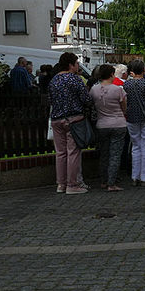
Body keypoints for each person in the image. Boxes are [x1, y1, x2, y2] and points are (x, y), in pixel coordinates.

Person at [48, 52, 91, 194]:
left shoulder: (54, 80)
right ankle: (73, 185)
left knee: (60, 153)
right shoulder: (75, 79)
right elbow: (86, 99)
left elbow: (50, 99)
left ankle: (61, 184)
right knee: (73, 152)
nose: (78, 66)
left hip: (56, 119)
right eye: (77, 63)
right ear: (71, 64)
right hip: (73, 119)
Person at [90, 64, 127, 192]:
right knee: (115, 154)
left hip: (102, 124)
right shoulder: (118, 90)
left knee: (104, 154)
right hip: (118, 124)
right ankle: (112, 183)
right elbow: (124, 107)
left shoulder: (94, 89)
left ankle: (104, 181)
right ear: (111, 74)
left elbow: (92, 105)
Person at [124, 58, 145, 187]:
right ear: (143, 70)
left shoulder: (126, 85)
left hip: (132, 117)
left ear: (131, 71)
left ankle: (135, 176)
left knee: (135, 147)